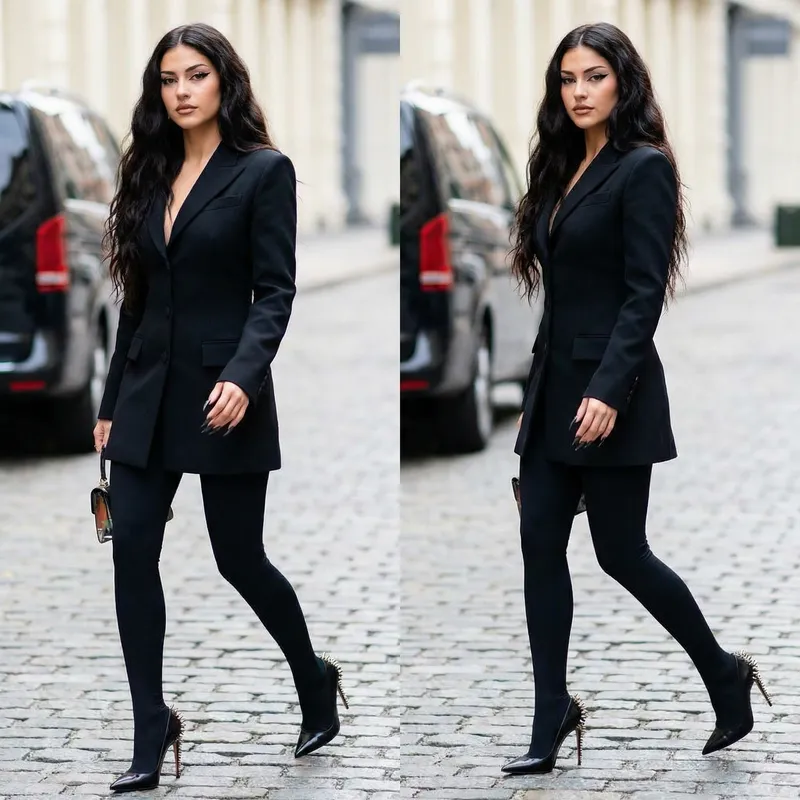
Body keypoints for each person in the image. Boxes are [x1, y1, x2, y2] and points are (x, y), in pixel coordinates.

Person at [503, 22, 772, 776]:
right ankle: (550, 711)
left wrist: (609, 390)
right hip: (554, 391)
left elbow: (642, 291)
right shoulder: (560, 167)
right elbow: (558, 300)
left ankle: (724, 673)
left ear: (623, 82)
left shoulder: (642, 168)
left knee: (622, 554)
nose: (580, 92)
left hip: (612, 392)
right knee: (537, 548)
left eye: (594, 76)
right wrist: (535, 405)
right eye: (568, 79)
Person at [94, 23, 348, 794]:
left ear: (223, 83)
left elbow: (274, 291)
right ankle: (151, 724)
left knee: (238, 557)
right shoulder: (148, 172)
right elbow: (134, 300)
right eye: (169, 78)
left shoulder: (262, 172)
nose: (181, 90)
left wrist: (244, 375)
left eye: (196, 75)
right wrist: (108, 401)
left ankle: (312, 677)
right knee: (131, 544)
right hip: (144, 395)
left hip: (222, 394)